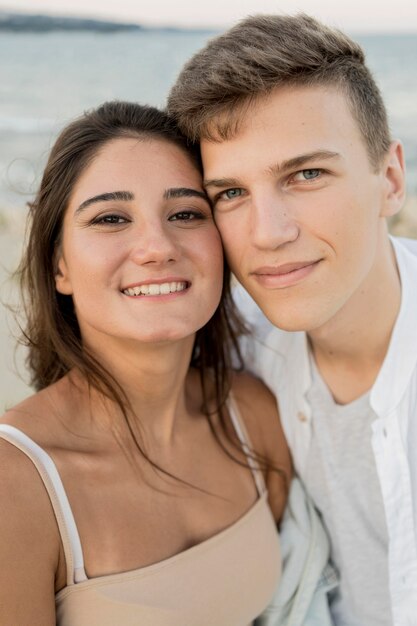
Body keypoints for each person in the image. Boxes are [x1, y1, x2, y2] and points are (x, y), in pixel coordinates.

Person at [0, 101, 292, 625]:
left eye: (186, 213)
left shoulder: (253, 415)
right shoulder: (15, 484)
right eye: (110, 218)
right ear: (58, 264)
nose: (157, 247)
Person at [167, 13, 417, 626]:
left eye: (306, 175)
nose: (268, 234)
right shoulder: (242, 353)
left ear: (389, 180)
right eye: (230, 194)